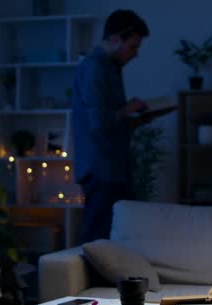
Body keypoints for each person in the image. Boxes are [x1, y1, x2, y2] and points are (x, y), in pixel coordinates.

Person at [72, 9, 171, 243]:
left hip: (114, 167)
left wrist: (137, 120)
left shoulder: (112, 68)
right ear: (115, 39)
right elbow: (97, 122)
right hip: (100, 169)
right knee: (99, 236)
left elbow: (112, 122)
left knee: (119, 235)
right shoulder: (94, 67)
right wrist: (129, 108)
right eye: (133, 47)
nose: (135, 54)